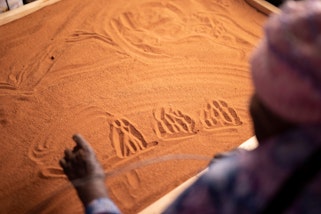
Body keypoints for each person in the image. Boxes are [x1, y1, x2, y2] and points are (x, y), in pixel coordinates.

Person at [60, 0, 321, 213]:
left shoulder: (234, 187)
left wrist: (93, 191)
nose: (251, 101)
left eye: (259, 91)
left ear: (278, 112)